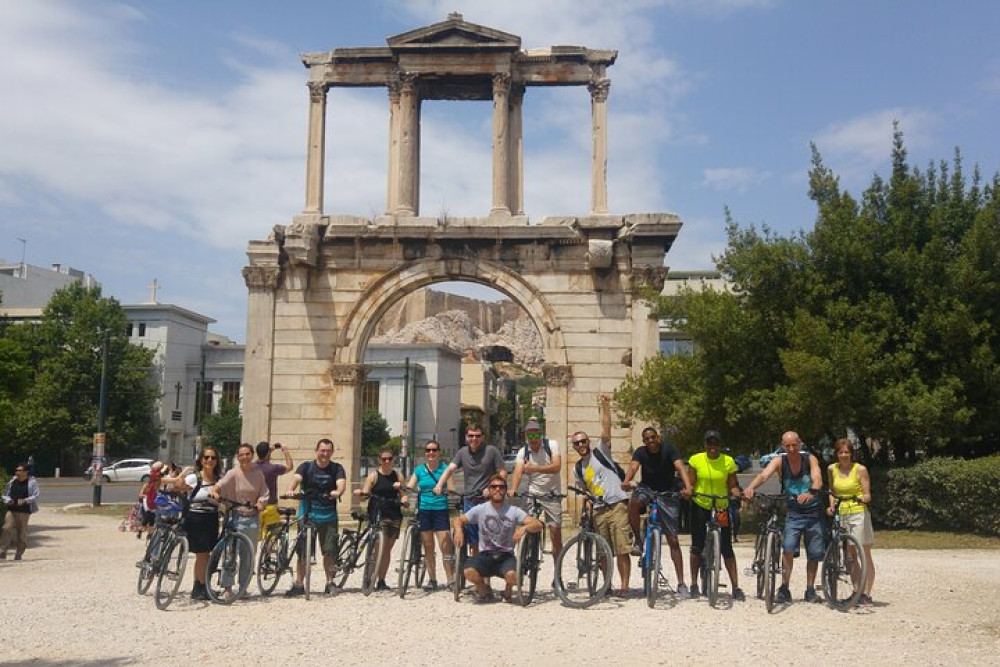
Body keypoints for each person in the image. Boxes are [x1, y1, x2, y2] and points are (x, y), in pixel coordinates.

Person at [744, 430, 825, 603]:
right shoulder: (780, 461)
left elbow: (817, 478)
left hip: (812, 511)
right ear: (783, 446)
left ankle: (810, 589)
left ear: (800, 443)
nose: (791, 449)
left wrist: (811, 492)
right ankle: (784, 587)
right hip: (793, 511)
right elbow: (764, 475)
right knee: (788, 548)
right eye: (787, 446)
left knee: (813, 553)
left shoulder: (809, 459)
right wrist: (751, 487)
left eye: (794, 445)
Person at [571, 394, 632, 598]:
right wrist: (586, 504)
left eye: (583, 441)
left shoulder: (600, 452)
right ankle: (607, 585)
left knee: (622, 548)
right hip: (598, 510)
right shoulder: (578, 469)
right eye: (577, 443)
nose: (581, 445)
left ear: (588, 441)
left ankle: (624, 586)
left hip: (616, 504)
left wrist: (606, 406)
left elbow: (606, 430)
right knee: (603, 551)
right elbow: (585, 491)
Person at [622, 426, 694, 597]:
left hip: (667, 492)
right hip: (647, 489)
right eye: (646, 439)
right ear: (643, 441)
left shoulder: (669, 449)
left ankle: (681, 583)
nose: (650, 441)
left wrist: (688, 487)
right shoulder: (640, 452)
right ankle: (638, 541)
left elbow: (680, 468)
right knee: (633, 502)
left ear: (658, 437)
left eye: (652, 438)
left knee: (673, 540)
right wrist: (626, 480)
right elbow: (633, 467)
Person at [452, 474, 543, 603]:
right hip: (485, 555)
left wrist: (523, 528)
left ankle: (507, 590)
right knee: (468, 572)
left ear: (505, 490)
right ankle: (483, 588)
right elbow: (459, 520)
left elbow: (537, 524)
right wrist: (459, 530)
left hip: (506, 556)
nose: (497, 490)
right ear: (489, 490)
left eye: (501, 487)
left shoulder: (513, 510)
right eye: (494, 487)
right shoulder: (480, 509)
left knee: (514, 576)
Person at [687, 430, 745, 601]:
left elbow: (732, 484)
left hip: (721, 506)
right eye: (709, 444)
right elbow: (691, 482)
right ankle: (694, 583)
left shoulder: (728, 462)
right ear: (705, 445)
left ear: (720, 445)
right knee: (697, 545)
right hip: (701, 503)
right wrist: (688, 491)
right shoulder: (696, 460)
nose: (712, 447)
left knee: (726, 547)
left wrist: (736, 494)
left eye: (715, 444)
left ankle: (736, 587)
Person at [285, 438, 346, 596]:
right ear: (316, 451)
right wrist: (291, 489)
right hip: (308, 514)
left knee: (330, 551)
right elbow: (297, 478)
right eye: (322, 450)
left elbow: (341, 483)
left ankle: (330, 582)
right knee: (303, 551)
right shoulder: (306, 467)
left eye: (328, 451)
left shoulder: (337, 468)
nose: (325, 454)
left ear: (332, 452)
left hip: (329, 515)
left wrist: (338, 492)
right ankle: (299, 584)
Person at [432, 423, 505, 555]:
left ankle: (488, 567)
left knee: (488, 539)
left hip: (488, 501)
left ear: (483, 437)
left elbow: (502, 472)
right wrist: (439, 485)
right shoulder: (462, 452)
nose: (474, 439)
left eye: (477, 436)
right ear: (466, 438)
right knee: (473, 541)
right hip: (470, 501)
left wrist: (493, 488)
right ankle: (477, 569)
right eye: (471, 436)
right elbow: (450, 469)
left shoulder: (491, 451)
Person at [210, 443, 269, 597]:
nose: (244, 457)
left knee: (248, 555)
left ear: (252, 455)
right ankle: (227, 587)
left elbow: (264, 493)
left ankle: (243, 587)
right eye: (241, 455)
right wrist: (215, 492)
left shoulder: (258, 473)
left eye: (247, 454)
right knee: (230, 553)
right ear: (238, 457)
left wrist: (261, 502)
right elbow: (218, 485)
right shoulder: (233, 473)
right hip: (235, 516)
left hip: (252, 517)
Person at [828, 437, 876, 606]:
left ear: (851, 453)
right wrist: (831, 506)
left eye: (846, 452)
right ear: (836, 454)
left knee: (864, 553)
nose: (843, 455)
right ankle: (857, 591)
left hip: (858, 513)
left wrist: (863, 498)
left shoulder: (860, 469)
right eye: (840, 452)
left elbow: (867, 493)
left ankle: (866, 594)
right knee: (850, 555)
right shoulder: (832, 469)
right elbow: (832, 491)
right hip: (842, 513)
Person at [403, 439, 454, 591]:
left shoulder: (445, 469)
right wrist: (406, 491)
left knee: (445, 545)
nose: (431, 453)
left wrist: (444, 490)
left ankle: (450, 579)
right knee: (428, 546)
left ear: (439, 452)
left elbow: (451, 487)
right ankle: (432, 579)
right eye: (428, 450)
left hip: (440, 509)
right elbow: (411, 485)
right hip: (424, 510)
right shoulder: (419, 470)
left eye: (434, 450)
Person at [508, 418, 564, 558]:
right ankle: (525, 555)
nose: (533, 439)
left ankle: (557, 571)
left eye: (536, 435)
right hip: (533, 493)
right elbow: (518, 471)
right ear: (526, 436)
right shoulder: (523, 451)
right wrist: (513, 488)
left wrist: (533, 468)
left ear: (541, 434)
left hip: (552, 494)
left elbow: (557, 467)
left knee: (555, 532)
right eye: (530, 435)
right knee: (526, 522)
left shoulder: (552, 445)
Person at [354, 447, 406, 592]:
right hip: (378, 514)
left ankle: (381, 580)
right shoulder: (373, 476)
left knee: (387, 550)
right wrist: (361, 493)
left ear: (393, 460)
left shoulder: (398, 476)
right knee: (378, 547)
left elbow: (403, 494)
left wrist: (405, 501)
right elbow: (366, 492)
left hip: (394, 513)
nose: (387, 461)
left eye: (389, 459)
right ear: (379, 460)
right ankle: (370, 577)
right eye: (384, 459)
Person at [181, 446, 222, 600]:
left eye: (213, 458)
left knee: (205, 555)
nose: (209, 461)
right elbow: (178, 486)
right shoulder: (194, 477)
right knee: (203, 554)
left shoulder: (219, 478)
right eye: (206, 457)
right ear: (201, 460)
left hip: (211, 518)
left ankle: (198, 587)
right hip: (196, 518)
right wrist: (181, 480)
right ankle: (203, 587)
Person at [1, 463, 40, 560]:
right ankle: (2, 551)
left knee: (21, 532)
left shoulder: (32, 482)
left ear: (25, 472)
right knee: (6, 528)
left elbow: (36, 495)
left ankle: (19, 553)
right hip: (12, 509)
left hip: (24, 510)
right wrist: (7, 500)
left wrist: (25, 500)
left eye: (20, 471)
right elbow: (5, 494)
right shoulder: (12, 481)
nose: (17, 473)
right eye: (16, 470)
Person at [254, 441, 293, 537]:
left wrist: (268, 452)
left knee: (255, 536)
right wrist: (285, 451)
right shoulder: (273, 468)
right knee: (271, 537)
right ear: (268, 452)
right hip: (270, 505)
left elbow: (262, 460)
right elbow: (289, 467)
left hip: (256, 506)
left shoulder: (252, 467)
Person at [137, 461, 165, 535]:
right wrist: (145, 496)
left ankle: (149, 533)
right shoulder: (148, 485)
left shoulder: (157, 482)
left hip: (153, 502)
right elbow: (140, 495)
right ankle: (142, 530)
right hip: (147, 502)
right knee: (148, 517)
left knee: (151, 518)